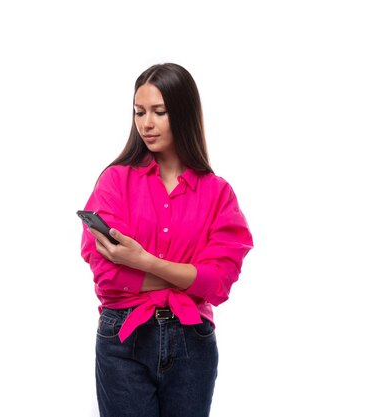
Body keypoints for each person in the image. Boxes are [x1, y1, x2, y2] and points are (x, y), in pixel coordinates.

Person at [79, 62, 253, 417]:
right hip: (123, 338)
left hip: (193, 344)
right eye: (139, 112)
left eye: (159, 112)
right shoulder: (114, 181)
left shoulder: (218, 194)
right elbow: (107, 277)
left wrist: (143, 262)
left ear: (185, 113)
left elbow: (218, 283)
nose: (146, 124)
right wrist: (187, 278)